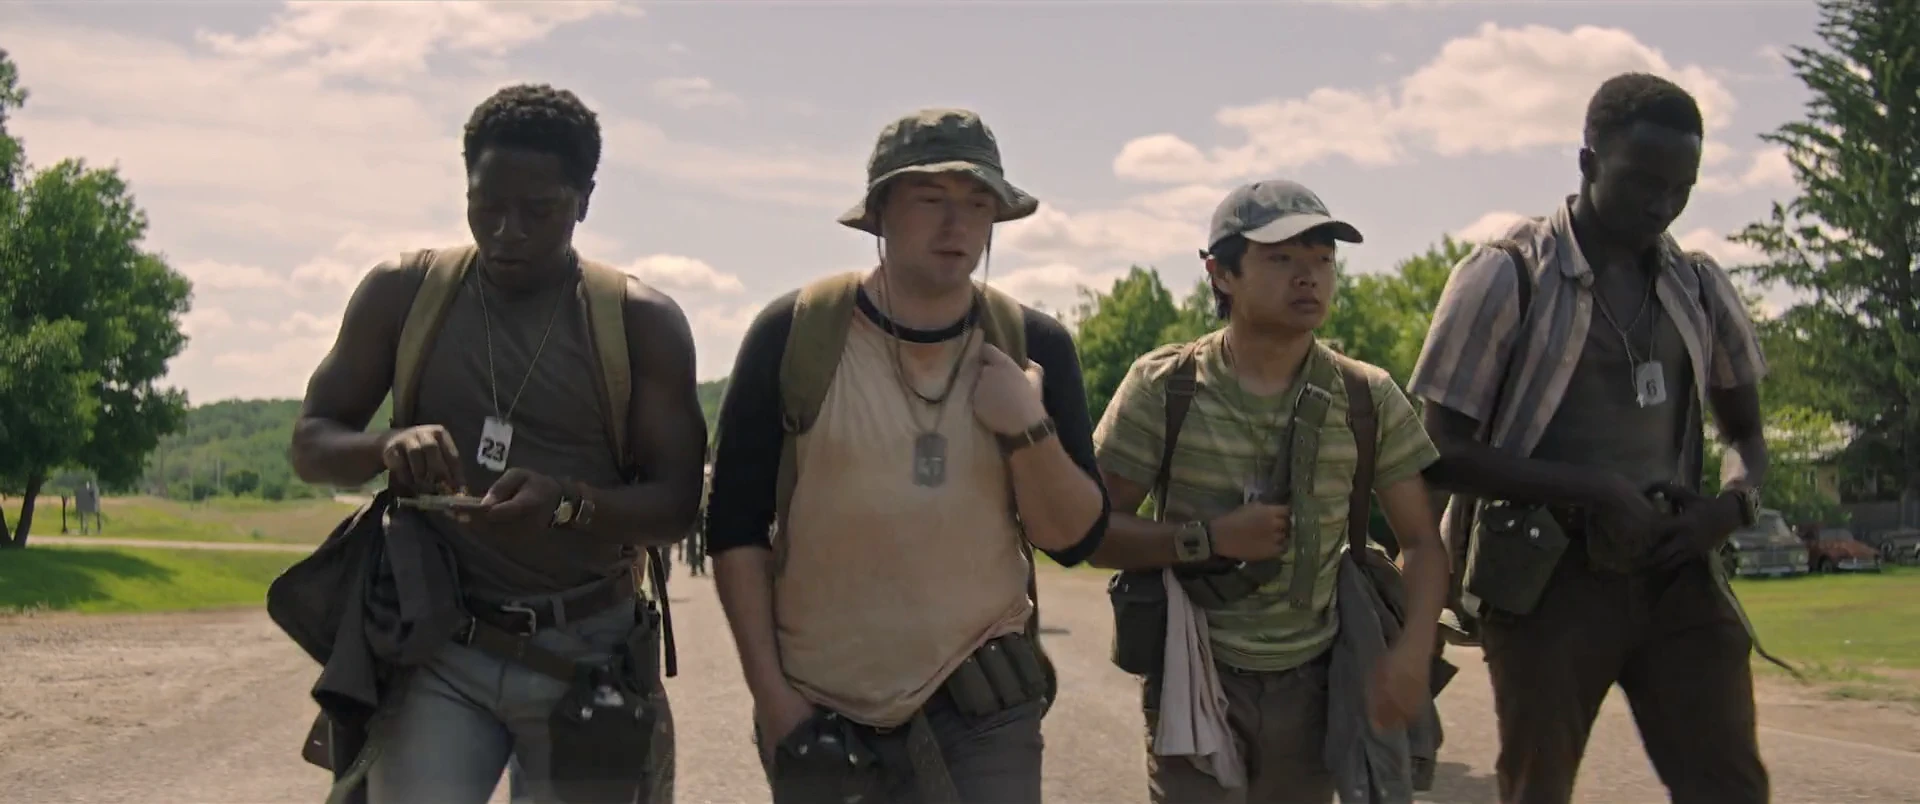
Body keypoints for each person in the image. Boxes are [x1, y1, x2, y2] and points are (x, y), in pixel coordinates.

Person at [288, 83, 706, 803]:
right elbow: (311, 442)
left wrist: (566, 505)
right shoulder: (402, 293)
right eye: (486, 206)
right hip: (437, 644)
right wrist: (387, 446)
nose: (507, 231)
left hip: (588, 652)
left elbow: (676, 505)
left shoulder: (641, 323)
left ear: (584, 199)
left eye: (537, 210)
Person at [703, 108, 1109, 804]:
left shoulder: (1033, 345)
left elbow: (1072, 541)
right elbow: (735, 530)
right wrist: (775, 704)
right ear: (880, 213)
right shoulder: (793, 336)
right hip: (822, 706)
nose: (957, 225)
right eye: (930, 199)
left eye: (978, 204)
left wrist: (1027, 427)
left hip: (984, 705)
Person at [1408, 72, 1772, 804]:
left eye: (1682, 188)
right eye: (1642, 182)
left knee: (1730, 784)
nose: (1662, 205)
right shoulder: (1508, 274)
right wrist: (1596, 489)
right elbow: (1438, 452)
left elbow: (1746, 434)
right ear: (1587, 163)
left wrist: (1730, 508)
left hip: (1675, 566)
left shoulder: (1698, 285)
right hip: (1546, 580)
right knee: (1537, 788)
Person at [1091, 179, 1451, 804]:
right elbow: (1093, 532)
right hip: (1192, 671)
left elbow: (1421, 540)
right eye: (1281, 258)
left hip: (1316, 685)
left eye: (1323, 259)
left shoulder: (1366, 397)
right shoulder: (1164, 387)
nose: (1309, 276)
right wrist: (1208, 539)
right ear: (1220, 273)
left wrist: (1413, 653)